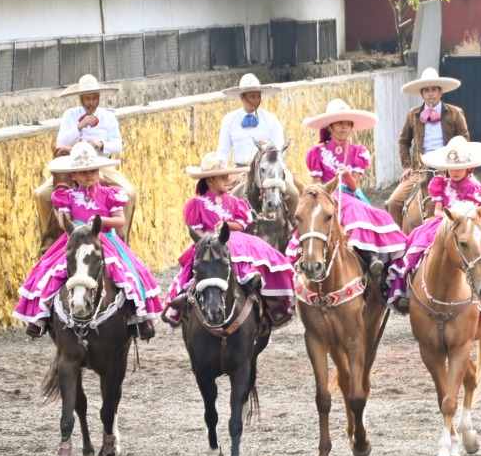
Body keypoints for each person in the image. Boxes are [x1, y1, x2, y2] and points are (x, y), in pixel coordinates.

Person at [14, 143, 162, 340]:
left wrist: (99, 223)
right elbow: (62, 220)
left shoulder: (110, 194)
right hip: (74, 240)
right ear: (73, 175)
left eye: (92, 170)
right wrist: (79, 228)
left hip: (105, 240)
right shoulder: (66, 196)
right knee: (51, 271)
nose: (88, 175)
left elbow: (120, 220)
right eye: (82, 172)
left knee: (128, 272)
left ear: (99, 171)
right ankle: (41, 315)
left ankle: (139, 318)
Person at [388, 136, 481, 317]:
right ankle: (407, 287)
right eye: (451, 167)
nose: (455, 171)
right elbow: (437, 211)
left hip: (469, 225)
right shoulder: (441, 184)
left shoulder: (474, 188)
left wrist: (456, 218)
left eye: (459, 167)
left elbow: (475, 214)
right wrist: (443, 218)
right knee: (416, 238)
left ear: (469, 167)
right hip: (444, 223)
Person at [163, 152, 295, 330]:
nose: (228, 179)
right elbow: (196, 230)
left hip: (235, 239)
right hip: (209, 243)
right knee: (195, 267)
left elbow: (241, 225)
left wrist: (227, 225)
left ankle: (268, 301)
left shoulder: (234, 201)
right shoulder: (197, 203)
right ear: (210, 181)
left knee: (264, 255)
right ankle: (186, 300)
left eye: (228, 175)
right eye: (222, 176)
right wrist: (209, 240)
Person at [299, 98, 408, 271]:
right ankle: (301, 256)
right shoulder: (317, 153)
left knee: (361, 210)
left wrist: (348, 175)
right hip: (326, 195)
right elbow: (317, 185)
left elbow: (355, 186)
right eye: (340, 123)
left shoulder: (359, 152)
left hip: (350, 194)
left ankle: (369, 255)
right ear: (329, 127)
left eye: (348, 124)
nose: (345, 128)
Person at [35, 74, 136, 242]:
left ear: (98, 98)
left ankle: (121, 239)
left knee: (129, 193)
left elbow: (118, 145)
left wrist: (100, 144)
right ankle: (48, 239)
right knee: (41, 194)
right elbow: (60, 142)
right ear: (81, 99)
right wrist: (79, 127)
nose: (90, 102)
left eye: (94, 98)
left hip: (101, 164)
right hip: (72, 164)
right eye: (87, 98)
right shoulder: (70, 115)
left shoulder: (109, 117)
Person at [386, 67, 470, 225]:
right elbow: (403, 141)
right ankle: (398, 244)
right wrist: (407, 166)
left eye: (433, 90)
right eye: (426, 90)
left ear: (440, 92)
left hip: (450, 168)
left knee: (480, 198)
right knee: (393, 202)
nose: (430, 93)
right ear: (422, 93)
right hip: (421, 169)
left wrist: (459, 164)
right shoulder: (413, 114)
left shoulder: (455, 113)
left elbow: (464, 139)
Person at [216, 73, 286, 169]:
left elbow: (280, 150)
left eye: (258, 96)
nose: (257, 100)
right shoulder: (229, 120)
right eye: (252, 96)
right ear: (242, 97)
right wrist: (222, 173)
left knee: (290, 182)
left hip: (266, 171)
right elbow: (223, 151)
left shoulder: (271, 120)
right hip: (238, 171)